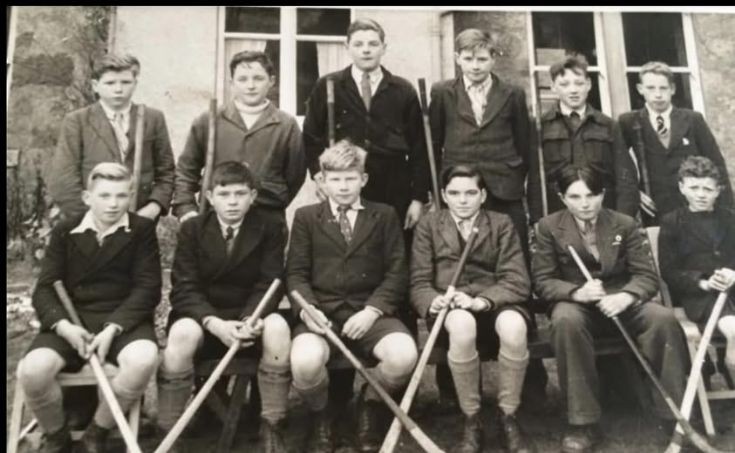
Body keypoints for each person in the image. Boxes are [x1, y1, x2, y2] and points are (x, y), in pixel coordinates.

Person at [428, 27, 547, 413]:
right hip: (460, 189)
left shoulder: (512, 93)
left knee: (513, 272)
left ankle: (531, 379)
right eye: (468, 58)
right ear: (458, 59)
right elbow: (435, 140)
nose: (475, 66)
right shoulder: (442, 93)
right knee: (454, 271)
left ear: (493, 59)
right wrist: (440, 194)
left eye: (483, 58)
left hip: (504, 190)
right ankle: (453, 381)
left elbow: (526, 147)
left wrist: (529, 199)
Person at [532, 165, 689, 453]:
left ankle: (673, 417)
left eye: (591, 195)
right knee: (565, 321)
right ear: (562, 198)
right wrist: (576, 292)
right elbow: (542, 281)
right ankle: (582, 422)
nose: (584, 204)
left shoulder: (625, 224)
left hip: (621, 303)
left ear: (603, 195)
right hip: (576, 307)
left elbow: (646, 276)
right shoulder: (548, 227)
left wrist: (627, 296)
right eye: (575, 197)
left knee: (663, 319)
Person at [18, 162, 161, 453]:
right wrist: (64, 327)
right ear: (87, 198)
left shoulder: (142, 230)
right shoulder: (65, 230)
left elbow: (148, 288)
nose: (113, 204)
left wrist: (113, 328)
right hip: (72, 321)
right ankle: (56, 436)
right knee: (33, 371)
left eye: (121, 196)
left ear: (130, 196)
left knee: (144, 360)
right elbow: (45, 287)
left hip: (123, 321)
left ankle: (97, 432)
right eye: (105, 196)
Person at [287, 141, 418, 453]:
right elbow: (295, 274)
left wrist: (372, 311)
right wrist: (309, 312)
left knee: (404, 356)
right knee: (304, 362)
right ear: (322, 180)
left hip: (371, 314)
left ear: (364, 179)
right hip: (322, 315)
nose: (343, 186)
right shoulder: (306, 218)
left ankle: (369, 406)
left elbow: (397, 272)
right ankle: (323, 415)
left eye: (350, 178)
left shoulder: (384, 215)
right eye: (335, 178)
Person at [157, 161, 289, 452]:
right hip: (204, 318)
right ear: (209, 197)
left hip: (248, 319)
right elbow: (184, 287)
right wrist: (214, 323)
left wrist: (249, 320)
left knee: (278, 328)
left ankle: (272, 424)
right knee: (181, 335)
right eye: (224, 194)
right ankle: (171, 429)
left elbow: (269, 283)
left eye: (240, 194)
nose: (232, 202)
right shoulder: (192, 229)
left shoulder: (269, 228)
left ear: (253, 197)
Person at [411, 164, 534, 453]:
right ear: (443, 195)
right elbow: (418, 282)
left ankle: (508, 415)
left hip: (496, 304)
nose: (462, 200)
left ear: (482, 195)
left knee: (515, 327)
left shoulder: (501, 223)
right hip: (452, 310)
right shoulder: (429, 225)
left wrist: (482, 300)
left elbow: (517, 279)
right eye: (454, 193)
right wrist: (433, 300)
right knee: (463, 325)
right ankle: (472, 418)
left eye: (470, 193)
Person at [302, 18, 430, 240]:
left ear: (384, 48)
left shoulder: (403, 90)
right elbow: (311, 138)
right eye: (359, 44)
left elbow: (419, 148)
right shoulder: (329, 85)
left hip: (393, 187)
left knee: (392, 249)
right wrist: (318, 176)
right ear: (347, 47)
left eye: (373, 44)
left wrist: (418, 199)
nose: (366, 50)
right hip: (347, 183)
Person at [172, 50, 306, 228]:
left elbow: (295, 175)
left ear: (271, 81)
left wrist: (274, 201)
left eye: (258, 78)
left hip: (267, 219)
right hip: (215, 218)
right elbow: (186, 170)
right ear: (231, 83)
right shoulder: (209, 120)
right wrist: (186, 208)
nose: (251, 86)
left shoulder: (286, 125)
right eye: (242, 79)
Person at [49, 53, 175, 221]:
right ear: (95, 85)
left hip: (140, 220)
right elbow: (63, 179)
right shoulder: (78, 121)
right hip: (91, 221)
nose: (118, 89)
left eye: (125, 82)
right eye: (110, 83)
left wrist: (153, 208)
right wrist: (90, 218)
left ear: (135, 83)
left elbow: (166, 172)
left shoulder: (153, 118)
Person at [616, 61, 733, 223]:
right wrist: (634, 191)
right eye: (650, 88)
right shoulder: (629, 122)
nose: (657, 95)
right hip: (655, 207)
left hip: (693, 205)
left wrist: (727, 210)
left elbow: (716, 163)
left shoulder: (692, 120)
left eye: (663, 88)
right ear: (640, 89)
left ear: (672, 89)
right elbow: (618, 162)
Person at [527, 55, 637, 223]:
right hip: (557, 217)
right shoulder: (540, 127)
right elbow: (535, 181)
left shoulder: (608, 126)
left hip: (603, 214)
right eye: (564, 84)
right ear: (553, 87)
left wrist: (624, 220)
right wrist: (538, 221)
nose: (573, 90)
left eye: (579, 83)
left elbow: (625, 178)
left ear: (588, 85)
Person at [659, 156, 735, 381]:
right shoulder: (672, 222)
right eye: (694, 187)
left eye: (708, 189)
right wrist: (703, 282)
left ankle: (726, 365)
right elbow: (670, 271)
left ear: (718, 190)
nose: (701, 194)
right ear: (682, 187)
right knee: (733, 328)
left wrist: (732, 272)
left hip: (733, 290)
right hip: (701, 297)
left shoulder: (730, 219)